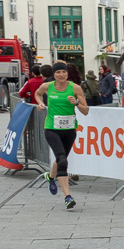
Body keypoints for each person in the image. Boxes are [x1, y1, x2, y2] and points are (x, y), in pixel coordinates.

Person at [35, 62, 89, 210]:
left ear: (67, 74)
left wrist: (76, 103)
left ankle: (50, 177)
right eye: (58, 72)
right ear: (54, 74)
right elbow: (37, 93)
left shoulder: (75, 88)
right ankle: (67, 197)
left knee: (60, 160)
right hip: (51, 128)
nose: (61, 75)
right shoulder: (48, 86)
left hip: (69, 130)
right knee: (62, 160)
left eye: (63, 72)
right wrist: (40, 103)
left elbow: (85, 111)